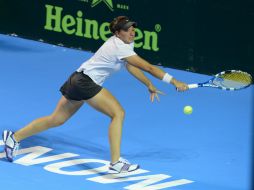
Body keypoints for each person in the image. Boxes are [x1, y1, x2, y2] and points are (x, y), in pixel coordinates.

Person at [2, 16, 188, 173]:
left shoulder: (124, 45)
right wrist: (174, 81)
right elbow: (147, 66)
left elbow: (131, 66)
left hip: (76, 79)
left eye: (133, 29)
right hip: (86, 83)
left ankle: (14, 138)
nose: (132, 32)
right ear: (117, 33)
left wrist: (148, 84)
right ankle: (116, 163)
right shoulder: (120, 47)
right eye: (127, 30)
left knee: (57, 119)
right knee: (118, 113)